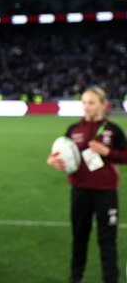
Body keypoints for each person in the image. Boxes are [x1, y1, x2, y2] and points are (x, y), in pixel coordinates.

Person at [46, 86, 127, 283]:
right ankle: (76, 277)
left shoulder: (113, 130)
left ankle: (111, 279)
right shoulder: (74, 130)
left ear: (102, 104)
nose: (86, 107)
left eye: (91, 102)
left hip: (105, 193)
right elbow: (61, 154)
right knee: (79, 238)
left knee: (107, 241)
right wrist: (53, 160)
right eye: (84, 102)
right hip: (80, 191)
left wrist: (107, 152)